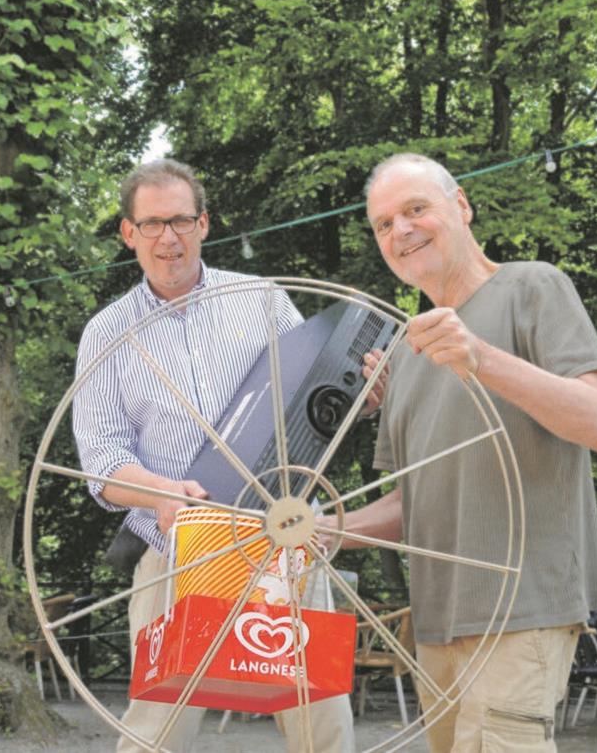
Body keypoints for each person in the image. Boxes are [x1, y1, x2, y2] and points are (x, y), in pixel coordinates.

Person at [341, 153, 597, 751]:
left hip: (523, 607)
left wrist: (481, 358)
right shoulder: (405, 353)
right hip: (436, 624)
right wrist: (321, 530)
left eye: (416, 209)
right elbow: (412, 503)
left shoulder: (532, 287)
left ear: (462, 206)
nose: (401, 230)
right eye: (384, 224)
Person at [72, 159, 356, 753]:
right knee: (157, 731)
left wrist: (360, 394)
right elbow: (101, 457)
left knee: (321, 722)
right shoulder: (107, 332)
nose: (168, 238)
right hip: (176, 552)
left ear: (203, 224)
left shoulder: (261, 300)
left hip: (281, 541)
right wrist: (159, 491)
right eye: (152, 224)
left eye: (180, 221)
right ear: (129, 233)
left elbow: (314, 394)